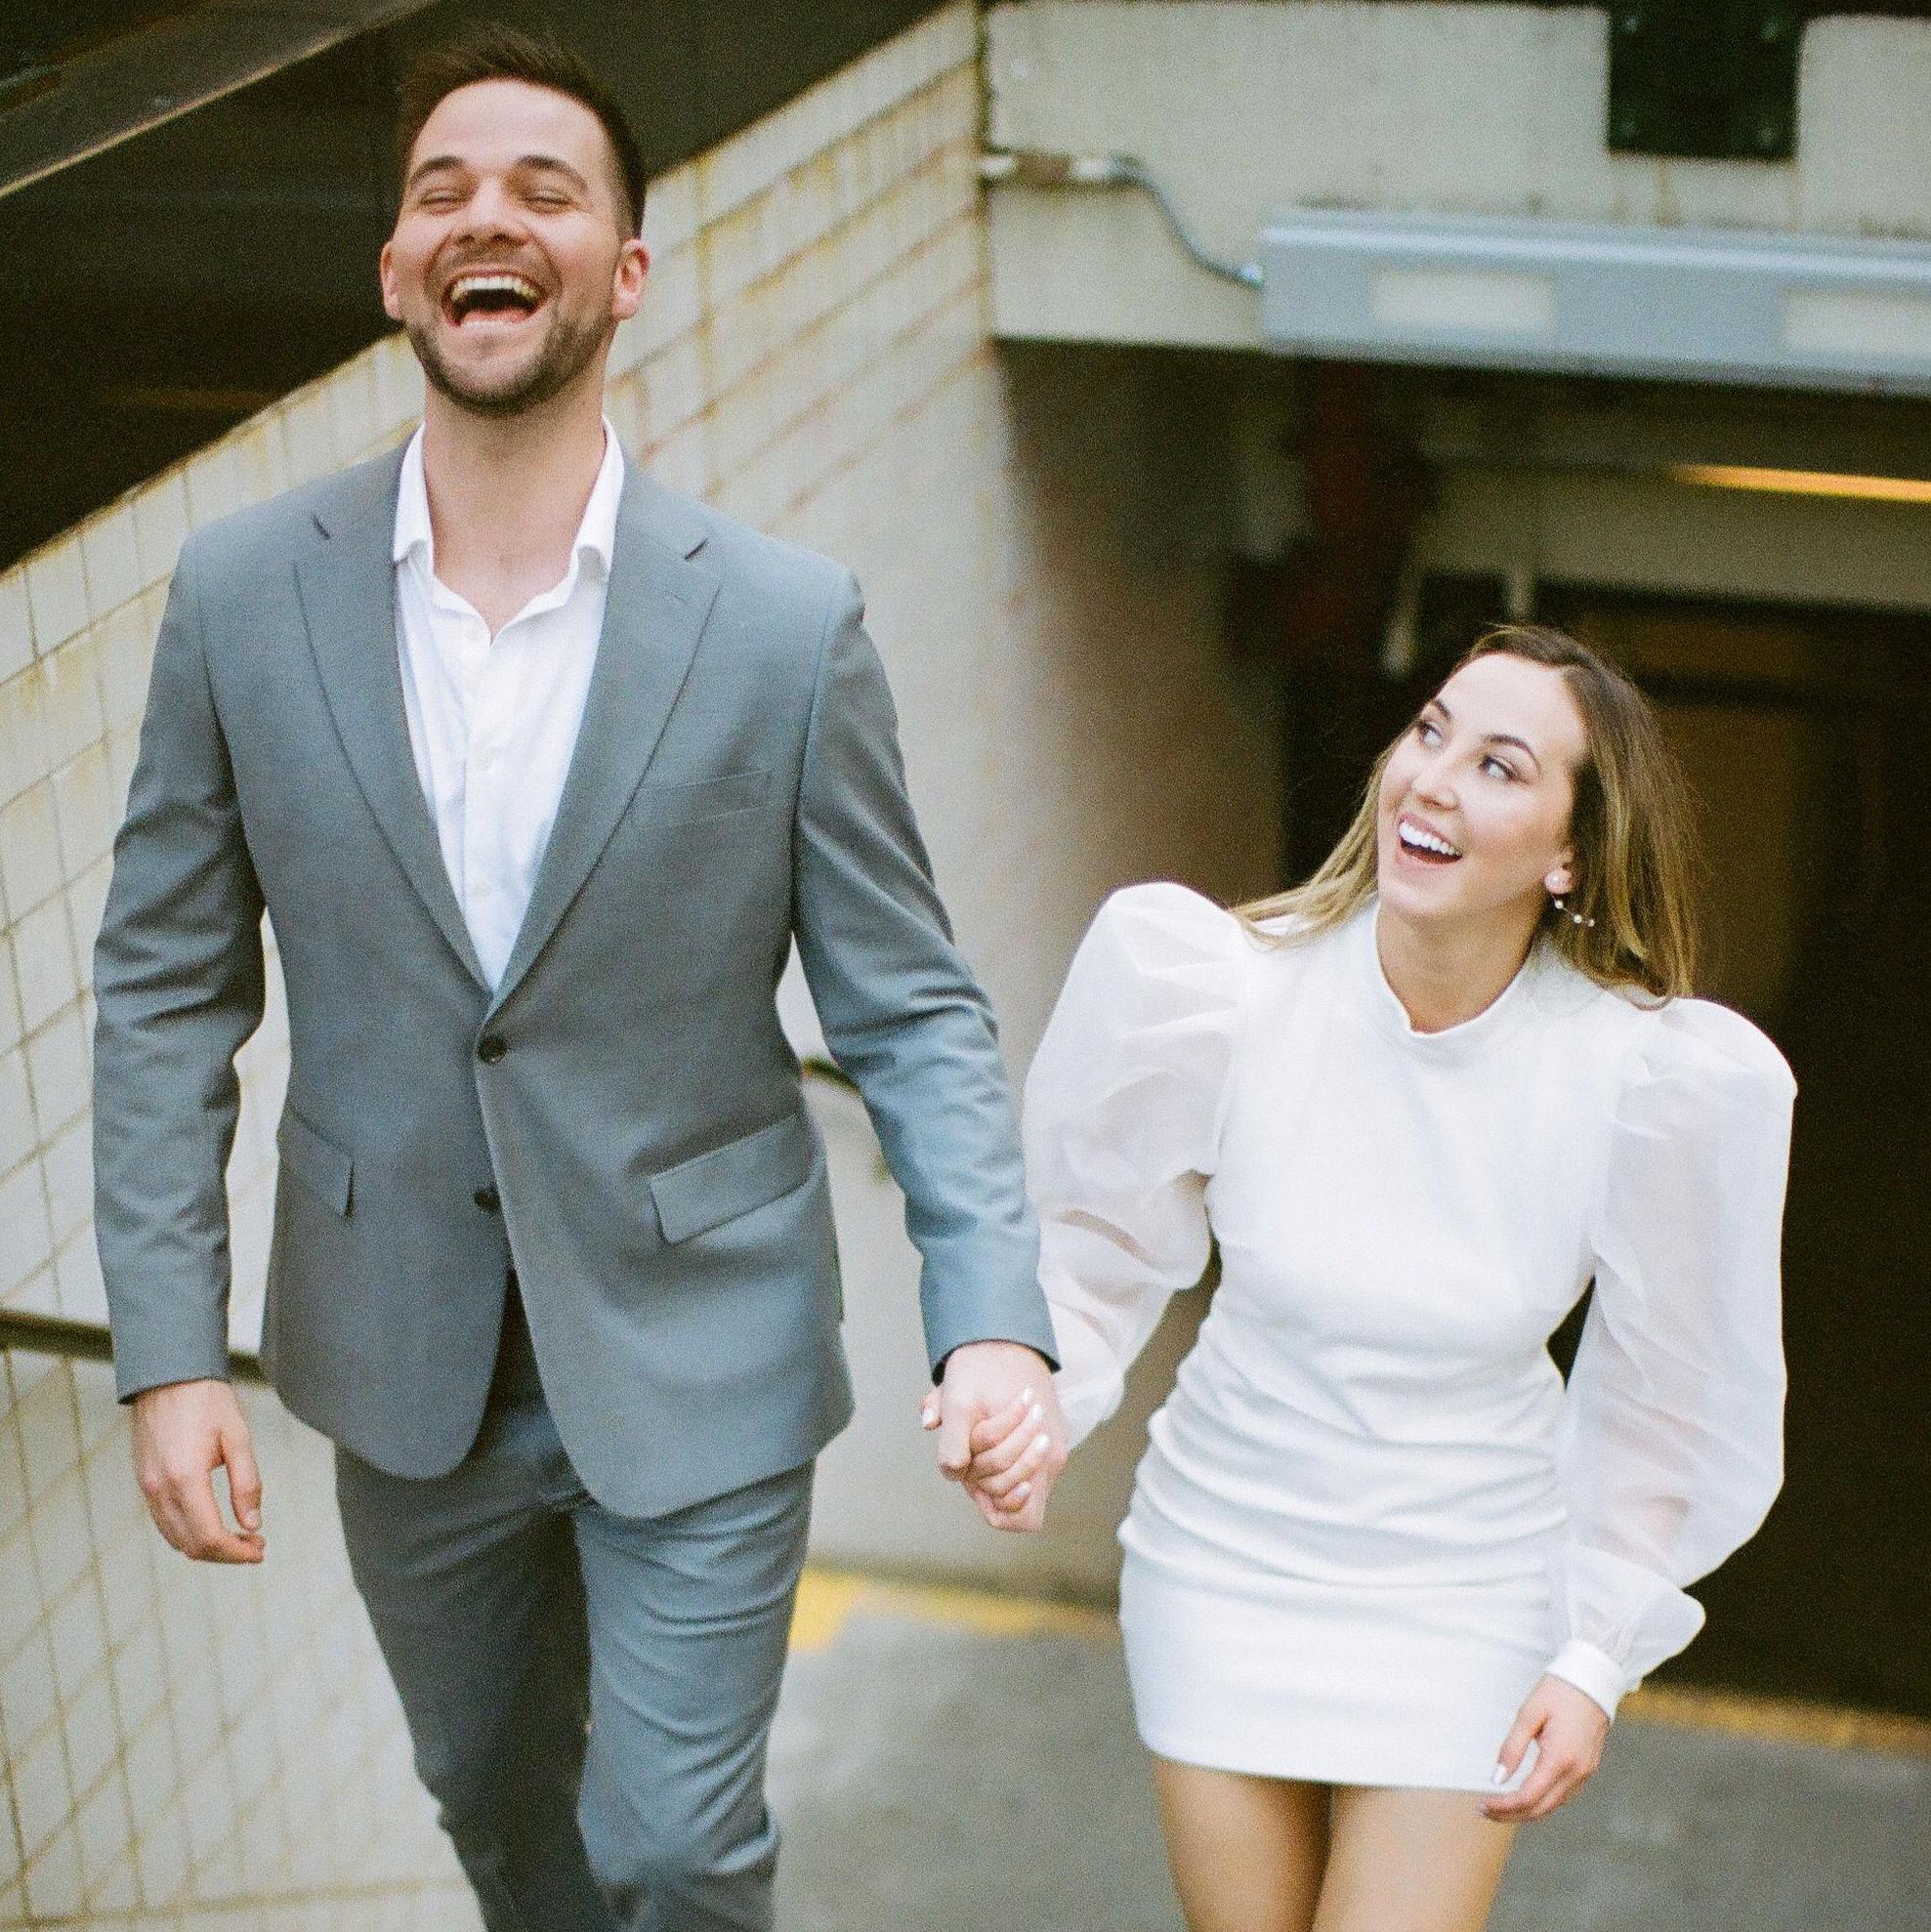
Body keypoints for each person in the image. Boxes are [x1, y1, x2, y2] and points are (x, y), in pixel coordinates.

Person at [91, 26, 1068, 1931]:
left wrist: (991, 1318)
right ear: (393, 268)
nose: (489, 218)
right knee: (493, 1801)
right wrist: (169, 1350)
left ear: (623, 274)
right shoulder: (238, 596)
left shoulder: (781, 626)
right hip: (399, 1348)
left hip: (703, 1340)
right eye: (442, 190)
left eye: (545, 192)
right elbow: (161, 992)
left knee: (673, 1843)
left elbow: (910, 1007)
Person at [971, 627, 1792, 1932]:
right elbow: (1091, 1240)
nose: (1433, 779)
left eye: (1499, 765)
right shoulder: (1224, 988)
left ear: (1571, 854)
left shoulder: (1645, 1079)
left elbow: (1670, 1395)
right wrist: (1032, 1396)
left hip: (1465, 1594)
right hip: (1222, 1564)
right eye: (1429, 732)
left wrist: (1595, 1654)